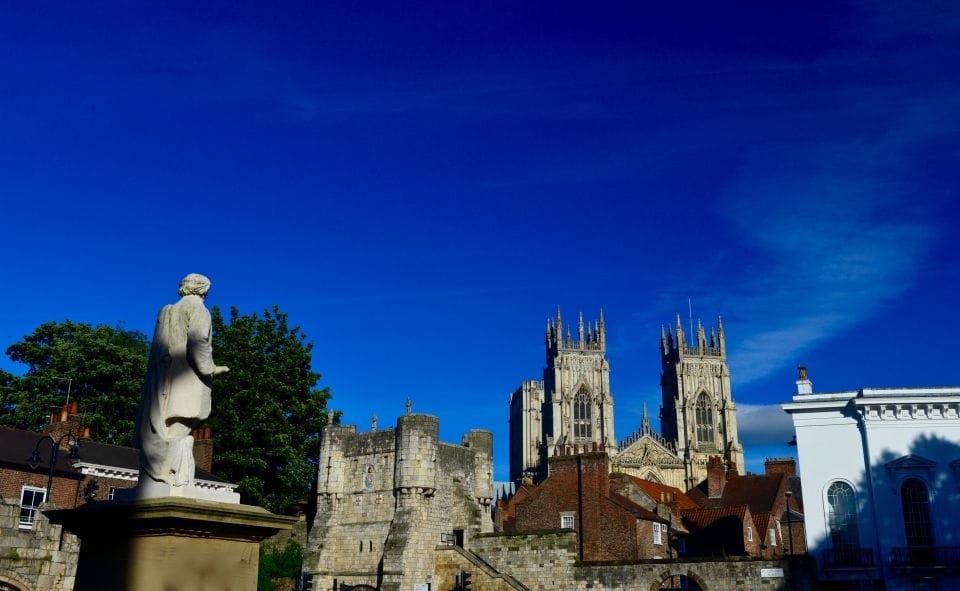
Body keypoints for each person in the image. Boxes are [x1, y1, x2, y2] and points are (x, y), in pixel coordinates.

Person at [134, 273, 229, 488]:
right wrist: (210, 368)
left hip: (164, 378)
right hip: (187, 378)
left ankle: (158, 475)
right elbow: (198, 342)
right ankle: (169, 475)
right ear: (203, 290)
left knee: (165, 424)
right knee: (181, 425)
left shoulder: (167, 310)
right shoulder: (198, 309)